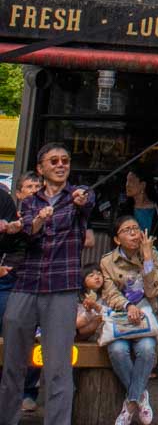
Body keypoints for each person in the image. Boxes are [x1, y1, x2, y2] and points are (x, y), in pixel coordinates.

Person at [0, 143, 95, 425]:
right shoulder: (30, 202)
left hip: (61, 287)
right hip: (26, 284)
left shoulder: (77, 196)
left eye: (65, 160)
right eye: (53, 161)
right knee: (13, 365)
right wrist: (38, 221)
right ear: (40, 169)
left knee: (58, 369)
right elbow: (27, 232)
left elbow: (88, 199)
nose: (60, 165)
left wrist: (82, 198)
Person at [101, 214, 158, 425]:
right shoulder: (107, 261)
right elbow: (110, 294)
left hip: (145, 319)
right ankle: (140, 396)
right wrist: (128, 305)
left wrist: (147, 258)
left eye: (136, 228)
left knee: (147, 349)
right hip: (120, 318)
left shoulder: (151, 254)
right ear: (116, 239)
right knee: (117, 350)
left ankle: (130, 404)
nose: (134, 234)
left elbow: (153, 291)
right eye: (127, 230)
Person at [0, 172, 43, 415]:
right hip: (9, 279)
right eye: (28, 186)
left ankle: (28, 391)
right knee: (9, 332)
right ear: (18, 193)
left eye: (37, 185)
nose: (33, 189)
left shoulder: (51, 216)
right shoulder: (11, 215)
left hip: (37, 281)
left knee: (34, 334)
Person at [120, 168, 158, 235]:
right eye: (127, 181)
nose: (127, 185)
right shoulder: (124, 210)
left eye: (131, 181)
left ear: (143, 185)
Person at [75, 266, 104, 340]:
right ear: (83, 281)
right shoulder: (77, 299)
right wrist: (88, 311)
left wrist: (95, 306)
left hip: (100, 334)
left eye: (99, 274)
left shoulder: (105, 296)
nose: (97, 277)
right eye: (91, 275)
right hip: (78, 332)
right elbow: (75, 324)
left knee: (100, 318)